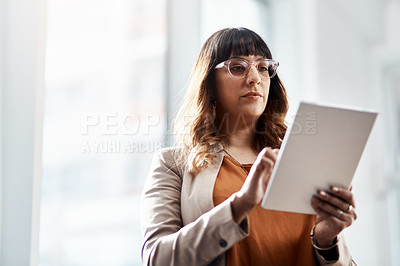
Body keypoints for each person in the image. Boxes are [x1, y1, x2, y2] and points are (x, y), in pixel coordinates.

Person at [140, 27, 357, 266]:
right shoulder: (172, 164)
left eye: (263, 67)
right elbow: (157, 259)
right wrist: (240, 203)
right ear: (209, 83)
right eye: (237, 67)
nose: (255, 78)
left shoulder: (300, 159)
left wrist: (327, 241)